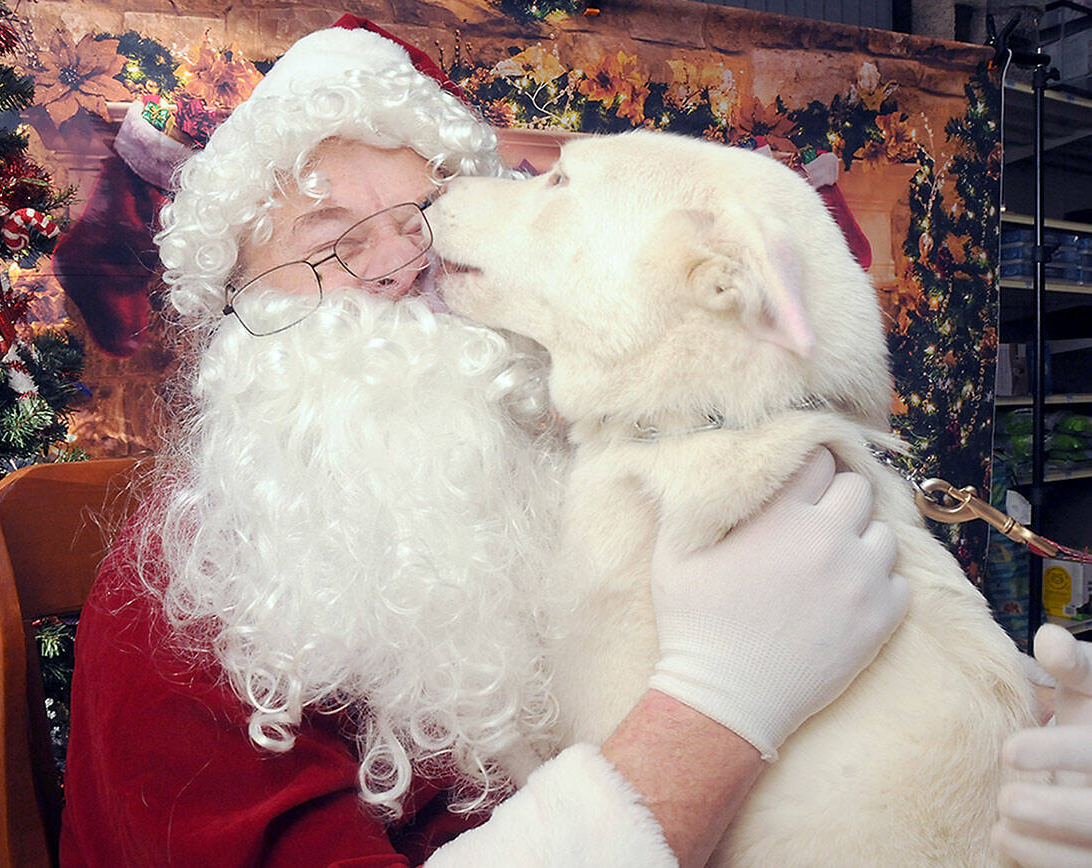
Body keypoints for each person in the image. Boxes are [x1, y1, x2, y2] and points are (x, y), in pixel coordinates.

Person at [58, 18, 1090, 867]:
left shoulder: (560, 476)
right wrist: (717, 706)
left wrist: (1024, 755)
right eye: (330, 246)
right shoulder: (183, 616)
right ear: (236, 305)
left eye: (419, 220)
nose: (392, 269)